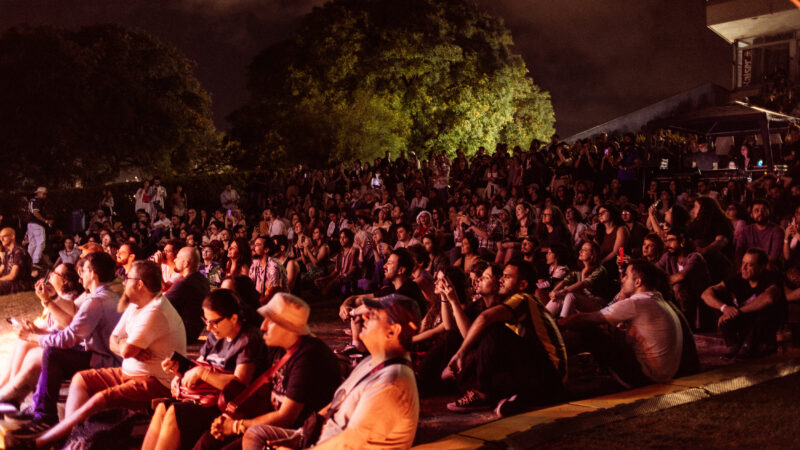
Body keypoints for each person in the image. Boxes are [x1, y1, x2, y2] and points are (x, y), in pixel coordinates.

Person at [10, 260, 186, 448]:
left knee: (98, 397)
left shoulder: (154, 310)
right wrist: (125, 345)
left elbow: (123, 349)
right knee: (80, 379)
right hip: (127, 370)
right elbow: (113, 340)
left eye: (128, 279)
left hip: (155, 381)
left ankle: (42, 440)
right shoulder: (135, 304)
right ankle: (70, 436)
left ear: (140, 285)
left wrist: (125, 346)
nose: (124, 281)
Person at [238, 294, 420, 450]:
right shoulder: (372, 362)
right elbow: (333, 408)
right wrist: (299, 435)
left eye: (373, 316)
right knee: (255, 434)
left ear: (393, 331)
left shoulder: (392, 383)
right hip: (321, 438)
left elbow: (351, 442)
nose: (363, 318)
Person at [194, 293, 341, 450]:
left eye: (270, 321)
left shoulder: (308, 358)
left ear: (287, 326)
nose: (263, 326)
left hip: (296, 436)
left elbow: (286, 418)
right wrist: (227, 418)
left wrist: (237, 426)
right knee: (206, 442)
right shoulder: (280, 349)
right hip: (268, 425)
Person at [6, 252, 122, 436]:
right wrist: (51, 301)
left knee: (52, 353)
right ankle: (35, 405)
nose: (80, 275)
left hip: (105, 360)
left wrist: (32, 336)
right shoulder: (105, 295)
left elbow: (68, 337)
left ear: (93, 274)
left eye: (84, 270)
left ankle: (45, 416)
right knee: (51, 350)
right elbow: (75, 321)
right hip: (99, 352)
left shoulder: (97, 301)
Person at [141, 289, 265, 450]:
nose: (209, 327)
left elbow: (240, 384)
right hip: (205, 398)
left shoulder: (247, 340)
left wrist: (203, 374)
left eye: (214, 322)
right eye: (206, 321)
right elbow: (199, 364)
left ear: (234, 318)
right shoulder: (216, 335)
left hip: (227, 405)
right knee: (162, 408)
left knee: (175, 413)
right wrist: (180, 370)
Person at [444, 259, 567, 416]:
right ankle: (511, 399)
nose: (501, 280)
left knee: (493, 329)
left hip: (551, 378)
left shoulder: (524, 298)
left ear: (522, 285)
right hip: (542, 379)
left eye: (507, 277)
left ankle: (483, 393)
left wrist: (460, 354)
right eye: (502, 276)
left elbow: (485, 319)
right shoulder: (512, 304)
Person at [560, 260, 684, 387]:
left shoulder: (637, 303)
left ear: (638, 282)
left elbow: (586, 319)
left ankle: (554, 362)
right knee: (609, 330)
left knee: (588, 331)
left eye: (626, 276)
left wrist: (556, 325)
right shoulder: (657, 300)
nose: (622, 280)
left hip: (645, 377)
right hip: (662, 375)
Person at [0, 263, 83, 412]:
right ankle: (6, 385)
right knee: (22, 341)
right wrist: (34, 329)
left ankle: (11, 389)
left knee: (25, 344)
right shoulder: (61, 298)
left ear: (65, 281)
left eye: (55, 273)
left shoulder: (69, 301)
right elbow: (51, 326)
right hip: (58, 340)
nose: (50, 275)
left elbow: (64, 330)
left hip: (66, 346)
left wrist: (34, 333)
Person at [701, 247, 781, 359]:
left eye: (750, 265)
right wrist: (724, 308)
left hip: (763, 324)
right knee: (717, 298)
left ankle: (749, 346)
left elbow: (769, 298)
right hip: (744, 320)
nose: (743, 268)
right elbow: (706, 294)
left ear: (761, 267)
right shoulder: (739, 278)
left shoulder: (771, 278)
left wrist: (737, 312)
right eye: (743, 263)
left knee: (766, 310)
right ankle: (733, 345)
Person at [658, 228, 711, 330]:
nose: (668, 244)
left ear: (682, 241)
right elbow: (654, 270)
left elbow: (682, 276)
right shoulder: (668, 256)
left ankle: (686, 326)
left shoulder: (695, 257)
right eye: (667, 241)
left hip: (697, 297)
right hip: (677, 295)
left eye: (671, 240)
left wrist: (662, 282)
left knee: (678, 287)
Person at [165, 246, 211, 344]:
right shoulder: (202, 280)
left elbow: (161, 305)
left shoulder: (185, 284)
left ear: (185, 263)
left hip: (181, 334)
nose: (174, 260)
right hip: (193, 331)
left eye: (178, 257)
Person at [734, 199, 785, 265]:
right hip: (748, 264)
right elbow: (738, 253)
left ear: (769, 212)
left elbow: (774, 257)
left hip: (768, 265)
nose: (760, 213)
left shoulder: (778, 231)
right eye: (756, 210)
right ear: (751, 214)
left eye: (764, 210)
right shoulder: (745, 231)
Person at [0, 228, 32, 295]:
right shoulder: (8, 252)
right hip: (9, 282)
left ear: (12, 236)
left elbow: (12, 276)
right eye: (0, 237)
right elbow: (2, 268)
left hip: (19, 284)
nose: (1, 239)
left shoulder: (19, 252)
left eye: (4, 236)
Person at [27, 186, 48, 269]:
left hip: (30, 224)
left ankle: (28, 261)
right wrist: (45, 221)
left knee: (32, 243)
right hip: (37, 224)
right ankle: (35, 261)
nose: (45, 196)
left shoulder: (32, 200)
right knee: (41, 243)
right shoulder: (39, 201)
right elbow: (36, 213)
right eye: (44, 194)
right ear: (39, 193)